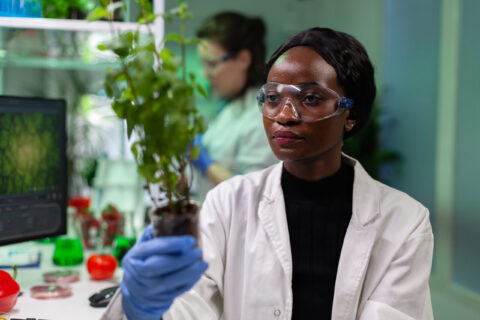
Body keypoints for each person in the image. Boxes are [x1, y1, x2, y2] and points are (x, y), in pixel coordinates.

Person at [102, 27, 434, 320]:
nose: (284, 115)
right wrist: (145, 307)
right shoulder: (227, 203)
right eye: (273, 97)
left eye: (311, 98)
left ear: (351, 113)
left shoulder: (404, 223)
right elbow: (191, 308)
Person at [191, 12, 278, 202]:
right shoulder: (228, 107)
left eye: (212, 64)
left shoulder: (262, 117)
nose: (205, 74)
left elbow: (253, 194)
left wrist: (205, 163)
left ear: (243, 59)